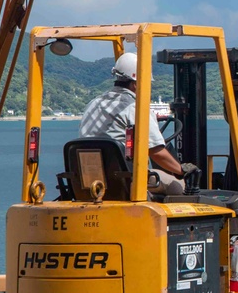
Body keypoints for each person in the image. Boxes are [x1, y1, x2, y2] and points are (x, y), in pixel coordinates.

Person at [79, 52, 188, 195]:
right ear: (136, 84)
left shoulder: (93, 104)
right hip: (125, 179)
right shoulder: (135, 108)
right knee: (180, 185)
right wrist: (182, 170)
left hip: (90, 180)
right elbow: (156, 152)